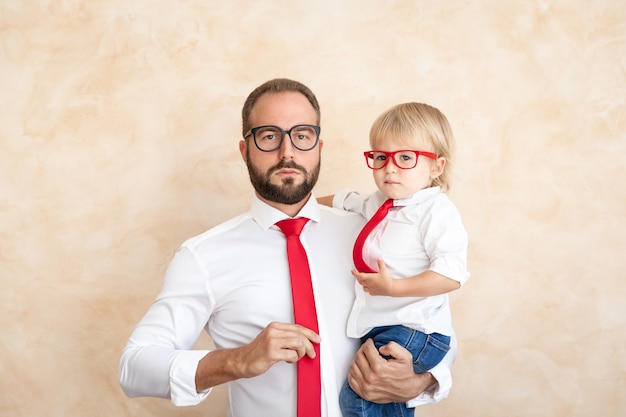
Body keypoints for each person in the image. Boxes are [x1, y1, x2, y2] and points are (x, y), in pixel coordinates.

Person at [118, 79, 455, 417]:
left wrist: (422, 381)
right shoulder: (203, 255)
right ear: (244, 150)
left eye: (302, 135)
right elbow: (135, 367)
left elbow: (431, 321)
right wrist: (238, 360)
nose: (287, 152)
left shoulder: (370, 235)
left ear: (319, 147)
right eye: (268, 137)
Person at [318, 102, 469, 417]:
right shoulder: (376, 202)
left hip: (416, 329)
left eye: (405, 158)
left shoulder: (435, 211)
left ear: (436, 167)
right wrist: (303, 205)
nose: (390, 168)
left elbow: (450, 275)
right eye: (380, 157)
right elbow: (344, 200)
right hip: (385, 328)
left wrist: (394, 288)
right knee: (375, 400)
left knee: (360, 400)